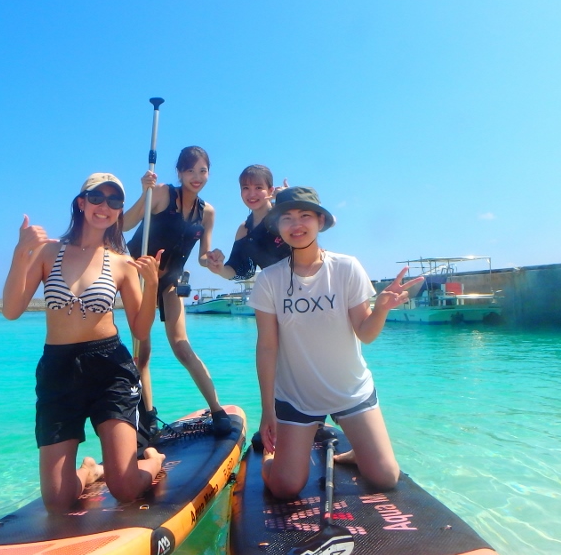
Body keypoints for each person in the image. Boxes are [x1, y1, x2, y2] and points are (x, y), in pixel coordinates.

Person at [2, 172, 166, 510]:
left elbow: (140, 329)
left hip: (110, 369)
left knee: (124, 487)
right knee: (58, 501)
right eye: (96, 198)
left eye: (114, 201)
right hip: (59, 370)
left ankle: (153, 459)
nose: (104, 206)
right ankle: (90, 471)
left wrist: (152, 286)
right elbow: (11, 309)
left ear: (120, 211)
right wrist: (21, 252)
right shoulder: (48, 252)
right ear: (81, 203)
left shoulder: (121, 263)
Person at [250, 186, 424, 499]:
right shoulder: (269, 280)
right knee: (286, 487)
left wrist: (381, 309)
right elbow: (267, 348)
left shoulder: (346, 267)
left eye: (305, 216)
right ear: (278, 226)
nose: (296, 224)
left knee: (385, 477)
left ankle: (358, 453)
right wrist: (267, 411)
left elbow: (365, 333)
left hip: (351, 391)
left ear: (319, 222)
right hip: (296, 397)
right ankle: (270, 462)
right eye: (287, 218)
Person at [125, 146, 232, 437]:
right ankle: (147, 416)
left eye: (202, 171)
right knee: (142, 353)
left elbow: (201, 255)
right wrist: (144, 194)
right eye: (190, 171)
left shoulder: (207, 212)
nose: (196, 177)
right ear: (179, 172)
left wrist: (212, 260)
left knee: (182, 347)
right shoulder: (161, 194)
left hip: (171, 281)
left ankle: (217, 409)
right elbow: (124, 224)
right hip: (139, 277)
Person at [205, 164, 291, 282]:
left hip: (307, 282)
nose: (251, 194)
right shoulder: (244, 230)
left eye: (258, 188)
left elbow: (310, 227)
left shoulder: (285, 215)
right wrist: (219, 268)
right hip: (277, 290)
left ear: (271, 190)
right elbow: (236, 268)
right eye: (246, 188)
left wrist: (288, 199)